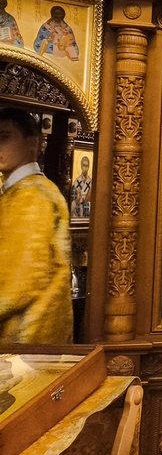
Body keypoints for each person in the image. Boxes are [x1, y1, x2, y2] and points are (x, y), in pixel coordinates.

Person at [0, 108, 72, 344]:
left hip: (26, 342)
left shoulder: (31, 196)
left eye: (5, 137)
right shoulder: (29, 191)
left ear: (32, 143)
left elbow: (18, 282)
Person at [71, 154, 92, 219]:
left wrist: (87, 201)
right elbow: (71, 204)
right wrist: (77, 200)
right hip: (76, 216)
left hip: (88, 215)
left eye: (87, 166)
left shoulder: (91, 183)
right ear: (81, 166)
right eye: (84, 165)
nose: (85, 168)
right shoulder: (76, 182)